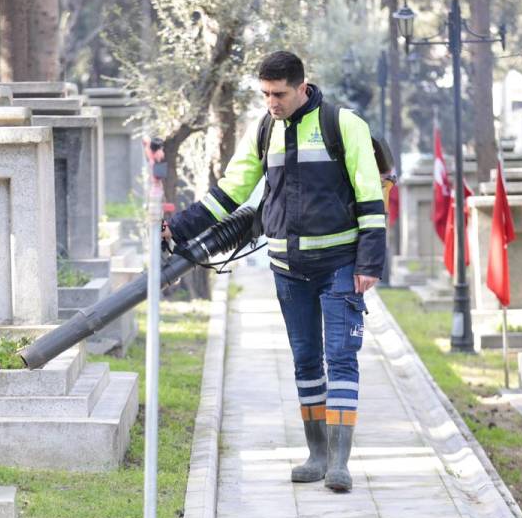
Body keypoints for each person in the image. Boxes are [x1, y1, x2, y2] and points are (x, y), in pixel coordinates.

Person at [165, 51, 386, 492]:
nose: (272, 102)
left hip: (340, 265)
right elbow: (232, 189)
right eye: (265, 93)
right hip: (287, 269)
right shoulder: (265, 130)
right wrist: (181, 225)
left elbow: (370, 196)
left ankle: (339, 463)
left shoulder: (343, 125)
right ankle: (316, 454)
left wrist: (369, 262)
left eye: (279, 93)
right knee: (306, 361)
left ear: (302, 87)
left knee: (340, 358)